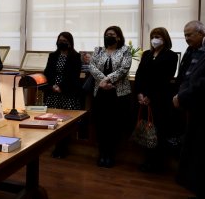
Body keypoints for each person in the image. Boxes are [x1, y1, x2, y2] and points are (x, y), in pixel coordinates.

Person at [134, 27, 178, 172]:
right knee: (147, 132)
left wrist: (150, 96)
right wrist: (140, 93)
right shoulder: (146, 54)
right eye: (153, 36)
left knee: (159, 132)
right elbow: (139, 74)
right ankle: (147, 161)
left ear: (165, 38)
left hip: (160, 100)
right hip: (143, 99)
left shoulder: (171, 56)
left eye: (158, 36)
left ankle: (157, 164)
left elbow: (164, 79)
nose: (155, 39)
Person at [89, 26, 132, 168]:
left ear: (118, 37)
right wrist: (103, 82)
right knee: (101, 125)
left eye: (112, 34)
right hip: (100, 93)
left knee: (114, 126)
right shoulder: (98, 50)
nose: (109, 36)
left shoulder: (125, 50)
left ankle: (110, 155)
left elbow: (124, 69)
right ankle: (102, 155)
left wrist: (107, 80)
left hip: (118, 94)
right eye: (107, 34)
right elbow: (92, 66)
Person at [172, 20, 205, 199]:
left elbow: (199, 82)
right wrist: (179, 95)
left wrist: (181, 97)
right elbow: (185, 75)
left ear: (201, 33)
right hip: (188, 103)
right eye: (184, 35)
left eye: (189, 34)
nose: (186, 38)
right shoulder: (190, 50)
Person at [43, 31, 82, 158]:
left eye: (65, 41)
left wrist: (61, 87)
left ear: (70, 43)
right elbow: (47, 72)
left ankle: (63, 148)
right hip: (53, 93)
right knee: (54, 120)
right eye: (60, 40)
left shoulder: (75, 56)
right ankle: (56, 146)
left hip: (67, 93)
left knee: (65, 122)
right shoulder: (53, 55)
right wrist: (52, 86)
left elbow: (74, 76)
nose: (62, 42)